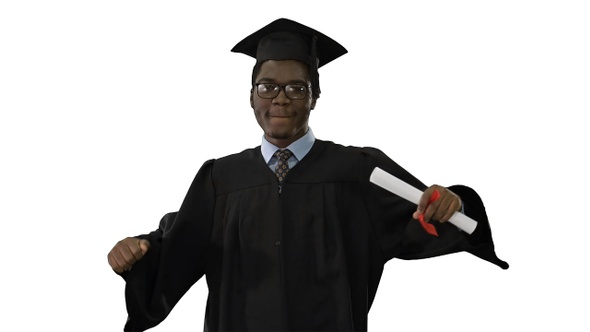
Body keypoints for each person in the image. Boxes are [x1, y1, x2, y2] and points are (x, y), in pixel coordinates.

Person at [108, 18, 508, 332]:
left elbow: (418, 222)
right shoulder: (221, 179)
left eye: (296, 88)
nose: (280, 97)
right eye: (267, 87)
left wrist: (447, 203)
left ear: (315, 96)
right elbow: (178, 246)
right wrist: (139, 251)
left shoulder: (358, 171)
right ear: (251, 97)